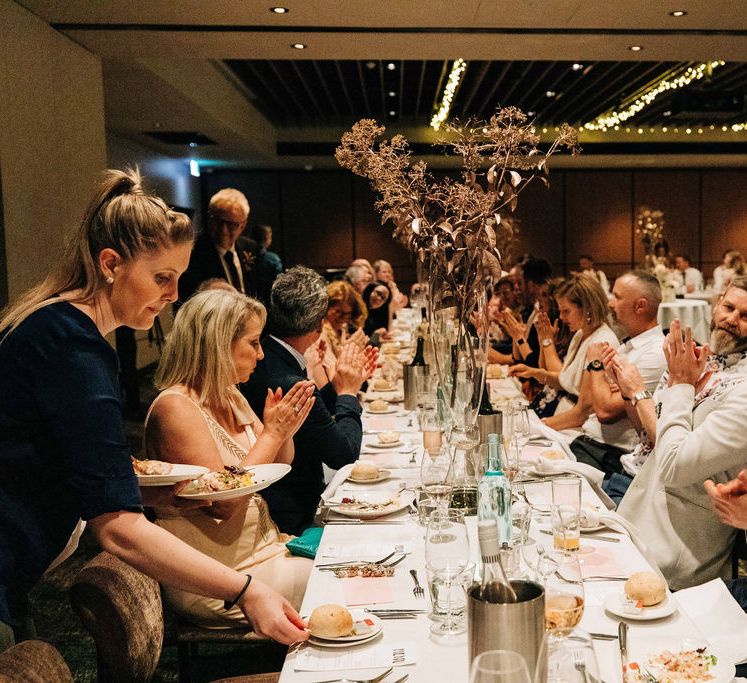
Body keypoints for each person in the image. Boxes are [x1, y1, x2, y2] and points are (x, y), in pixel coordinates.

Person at [0, 169, 308, 652]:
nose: (171, 295)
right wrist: (245, 591)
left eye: (178, 279)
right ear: (110, 264)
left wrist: (157, 497)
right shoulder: (72, 349)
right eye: (161, 277)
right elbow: (119, 532)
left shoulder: (55, 327)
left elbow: (53, 457)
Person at [144, 289, 315, 628]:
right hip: (218, 578)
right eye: (253, 343)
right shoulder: (175, 408)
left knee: (353, 560)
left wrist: (283, 430)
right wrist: (270, 434)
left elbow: (280, 462)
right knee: (346, 579)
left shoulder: (229, 394)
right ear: (218, 343)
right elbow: (224, 505)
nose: (262, 354)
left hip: (266, 552)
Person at [618, 278, 747, 589]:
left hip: (675, 550)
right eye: (729, 307)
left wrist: (681, 383)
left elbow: (675, 466)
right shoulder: (702, 361)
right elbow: (654, 437)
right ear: (716, 306)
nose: (731, 319)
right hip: (636, 516)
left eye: (746, 316)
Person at [241, 266, 374, 535]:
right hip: (294, 514)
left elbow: (310, 420)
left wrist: (335, 388)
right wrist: (348, 393)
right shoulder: (289, 379)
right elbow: (344, 455)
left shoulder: (269, 354)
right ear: (320, 323)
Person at [562, 272, 666, 483]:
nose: (610, 303)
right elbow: (597, 396)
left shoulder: (654, 354)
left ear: (640, 306)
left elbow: (605, 410)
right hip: (590, 444)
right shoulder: (628, 345)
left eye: (618, 297)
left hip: (608, 455)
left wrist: (595, 363)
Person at [511, 274, 619, 426]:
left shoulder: (602, 342)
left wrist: (541, 426)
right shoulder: (580, 334)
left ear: (587, 308)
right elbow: (567, 381)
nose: (561, 317)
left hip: (580, 424)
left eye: (566, 311)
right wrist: (536, 373)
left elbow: (584, 411)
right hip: (565, 412)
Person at [178, 188, 258, 302]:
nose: (223, 231)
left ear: (243, 225)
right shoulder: (193, 252)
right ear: (209, 218)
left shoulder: (250, 248)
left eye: (231, 225)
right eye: (218, 222)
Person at [305, 280, 368, 388]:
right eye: (338, 312)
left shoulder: (341, 329)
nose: (343, 318)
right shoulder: (320, 333)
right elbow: (330, 382)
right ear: (325, 308)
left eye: (347, 313)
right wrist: (347, 352)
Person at [252, 224, 283, 305]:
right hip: (268, 300)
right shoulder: (273, 259)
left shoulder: (243, 256)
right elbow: (279, 282)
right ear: (268, 238)